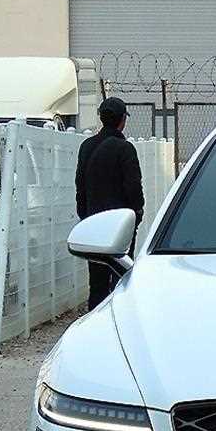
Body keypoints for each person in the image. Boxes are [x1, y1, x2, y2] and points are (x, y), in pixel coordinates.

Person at [75, 97, 144, 310]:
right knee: (121, 275)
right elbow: (133, 186)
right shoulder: (125, 149)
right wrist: (137, 211)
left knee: (97, 280)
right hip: (120, 223)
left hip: (94, 222)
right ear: (122, 120)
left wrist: (84, 215)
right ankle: (119, 313)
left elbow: (80, 185)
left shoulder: (86, 147)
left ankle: (96, 315)